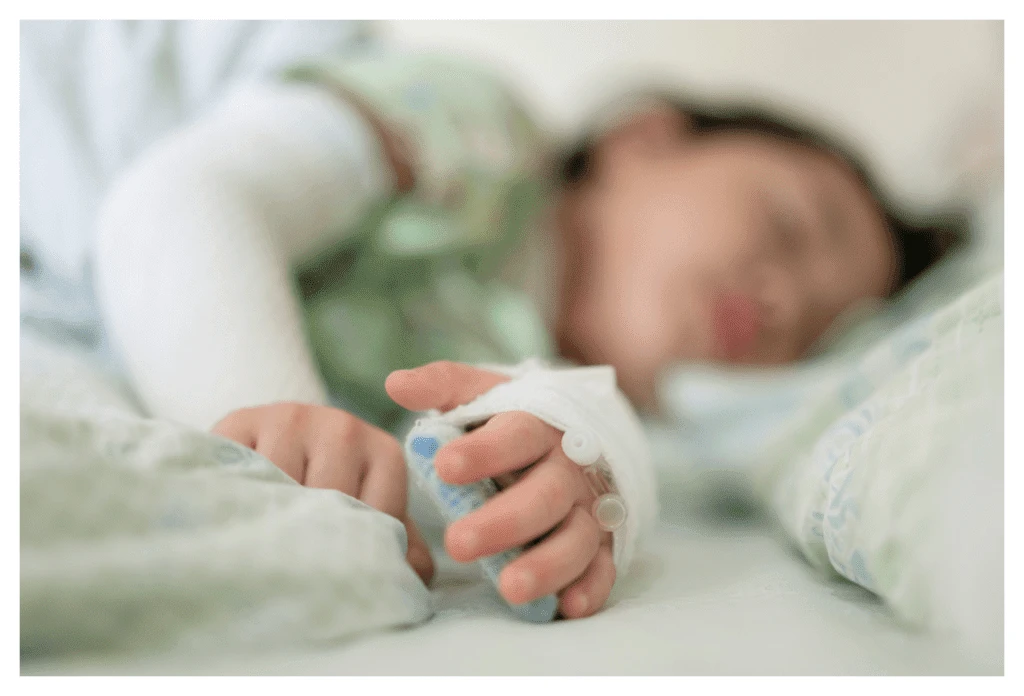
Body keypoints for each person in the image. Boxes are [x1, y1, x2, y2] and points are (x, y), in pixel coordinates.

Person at [92, 52, 964, 621]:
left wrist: (586, 473)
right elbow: (177, 201)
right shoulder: (481, 143)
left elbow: (566, 458)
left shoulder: (645, 429)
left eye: (814, 328)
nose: (783, 299)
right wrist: (269, 423)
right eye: (788, 227)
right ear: (643, 139)